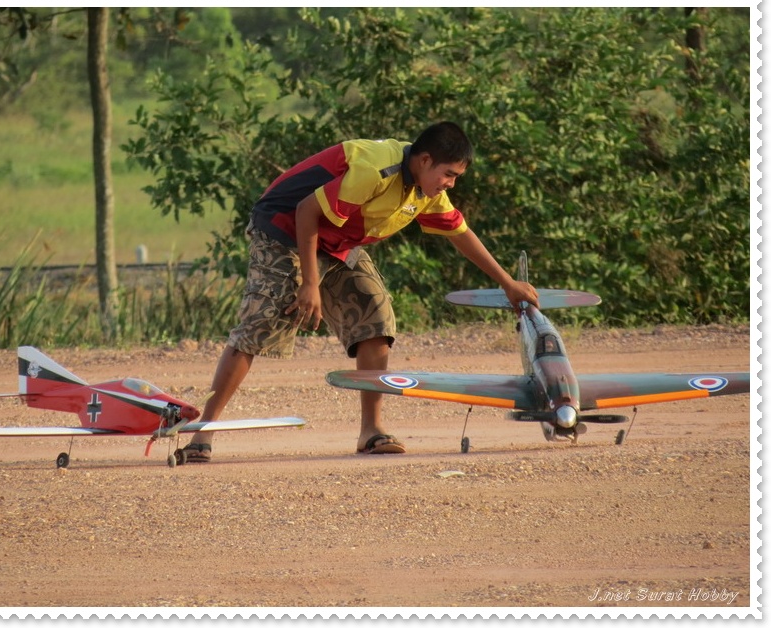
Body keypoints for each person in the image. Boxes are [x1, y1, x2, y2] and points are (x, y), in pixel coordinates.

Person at [182, 121, 539, 462]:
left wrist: (508, 283)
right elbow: (307, 211)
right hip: (285, 229)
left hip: (338, 242)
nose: (451, 184)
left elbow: (459, 232)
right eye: (449, 174)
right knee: (261, 323)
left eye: (456, 177)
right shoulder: (376, 169)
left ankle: (371, 430)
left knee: (375, 316)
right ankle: (202, 431)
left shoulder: (426, 191)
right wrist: (310, 284)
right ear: (425, 160)